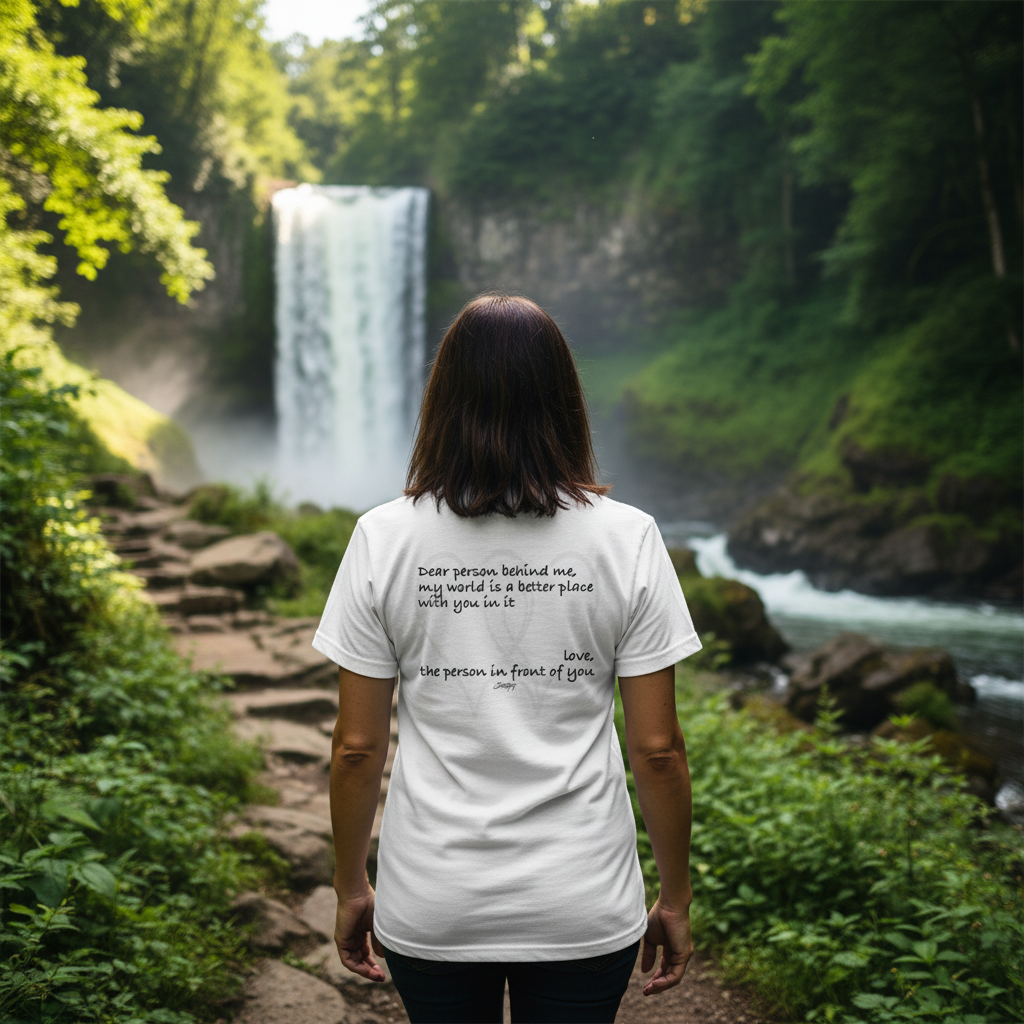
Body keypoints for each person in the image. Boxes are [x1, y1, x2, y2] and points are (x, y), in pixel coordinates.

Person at [313, 293, 702, 1024]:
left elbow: (356, 748)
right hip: (581, 901)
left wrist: (350, 885)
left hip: (432, 899)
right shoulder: (629, 539)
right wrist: (674, 897)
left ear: (443, 400)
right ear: (563, 400)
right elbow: (657, 750)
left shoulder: (382, 538)